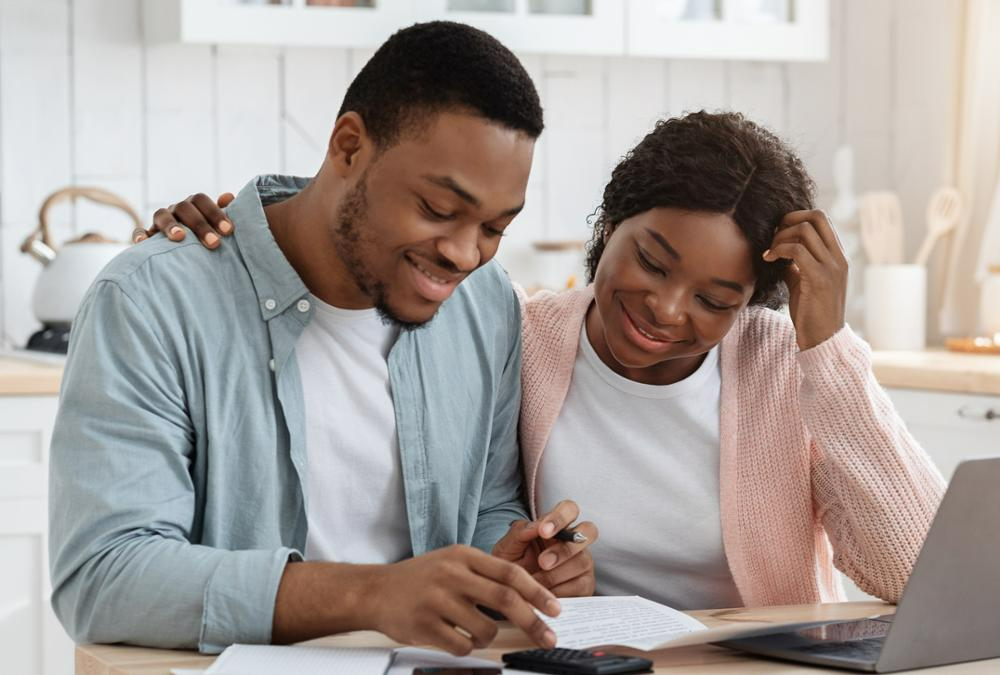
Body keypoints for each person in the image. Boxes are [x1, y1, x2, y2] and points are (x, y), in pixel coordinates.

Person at [154, 111, 945, 611]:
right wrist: (230, 240)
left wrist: (829, 348)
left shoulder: (785, 366)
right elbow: (355, 245)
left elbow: (916, 572)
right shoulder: (517, 333)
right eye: (653, 261)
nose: (668, 311)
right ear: (610, 224)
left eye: (716, 298)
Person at [48, 22, 597, 658]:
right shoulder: (152, 301)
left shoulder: (487, 304)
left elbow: (487, 505)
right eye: (439, 210)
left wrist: (515, 566)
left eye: (495, 227)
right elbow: (102, 576)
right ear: (348, 146)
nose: (464, 254)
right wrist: (371, 595)